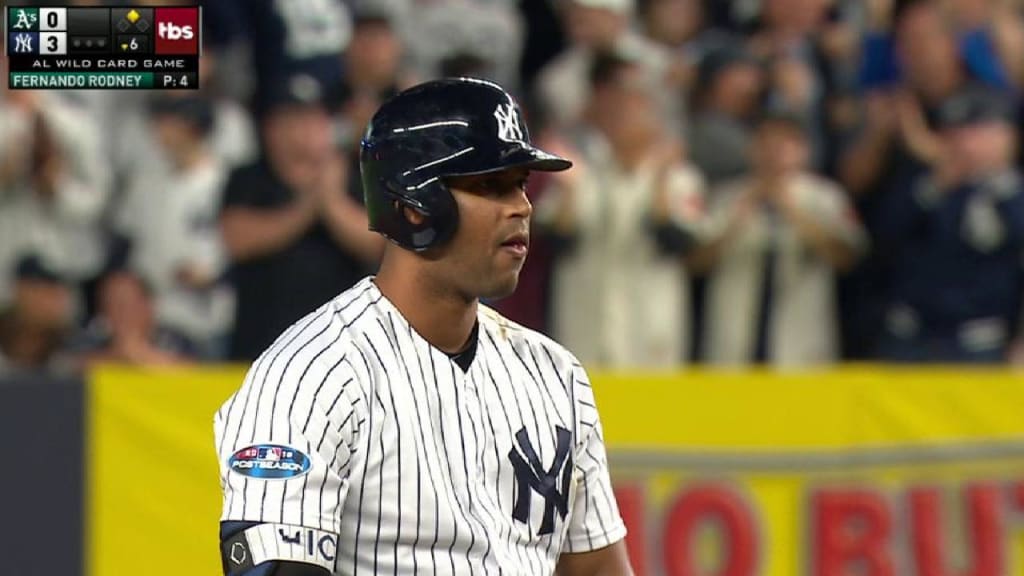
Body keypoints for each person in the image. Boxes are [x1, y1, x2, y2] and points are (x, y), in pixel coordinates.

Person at [213, 78, 631, 575]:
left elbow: (599, 568)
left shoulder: (556, 375)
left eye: (521, 184)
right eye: (491, 185)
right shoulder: (310, 375)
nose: (521, 205)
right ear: (414, 206)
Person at [538, 53, 707, 368]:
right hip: (586, 323)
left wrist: (660, 183)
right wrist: (571, 191)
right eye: (614, 112)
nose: (621, 120)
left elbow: (677, 242)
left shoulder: (679, 178)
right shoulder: (579, 173)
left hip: (650, 326)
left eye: (632, 110)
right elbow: (556, 241)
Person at [219, 75, 383, 361]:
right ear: (270, 129)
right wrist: (309, 205)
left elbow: (378, 245)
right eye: (292, 120)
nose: (304, 132)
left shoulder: (358, 178)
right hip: (261, 351)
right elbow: (236, 239)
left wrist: (331, 201)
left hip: (341, 354)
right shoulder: (249, 178)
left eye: (314, 120)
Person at [692, 110, 866, 367]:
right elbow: (696, 263)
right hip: (734, 347)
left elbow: (846, 258)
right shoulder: (725, 197)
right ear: (751, 149)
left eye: (784, 144)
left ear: (803, 151)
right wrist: (734, 223)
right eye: (765, 143)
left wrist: (794, 212)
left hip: (800, 347)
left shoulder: (825, 198)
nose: (773, 153)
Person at [876, 85, 1024, 362]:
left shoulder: (1013, 196)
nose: (966, 143)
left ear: (1008, 138)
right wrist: (937, 186)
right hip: (910, 337)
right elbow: (884, 241)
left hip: (979, 343)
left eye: (980, 133)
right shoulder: (921, 188)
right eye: (955, 133)